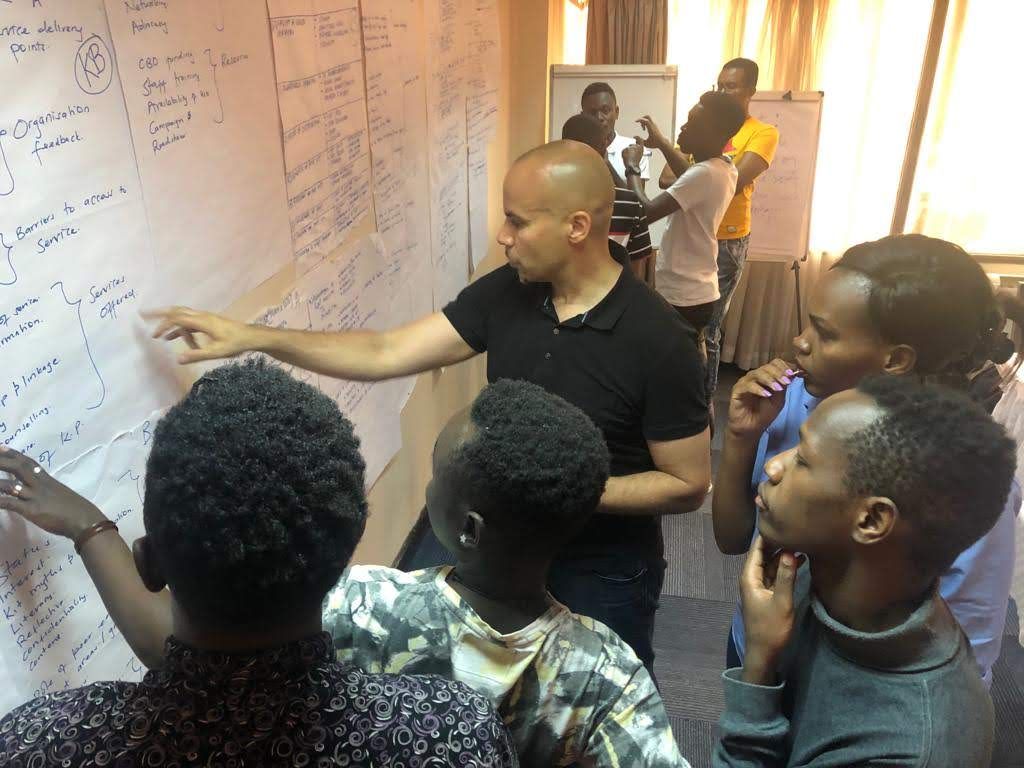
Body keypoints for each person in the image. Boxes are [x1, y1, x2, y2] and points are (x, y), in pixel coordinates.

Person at [146, 140, 711, 673]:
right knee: (489, 690)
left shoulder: (660, 341)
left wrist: (553, 492)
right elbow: (386, 351)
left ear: (577, 227)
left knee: (598, 698)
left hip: (601, 569)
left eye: (517, 221)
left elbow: (687, 484)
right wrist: (253, 336)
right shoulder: (508, 292)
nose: (503, 235)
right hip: (500, 555)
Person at [0, 378, 691, 767]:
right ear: (340, 555)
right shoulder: (460, 734)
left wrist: (93, 531)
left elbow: (178, 652)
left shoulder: (42, 743)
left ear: (152, 565)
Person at [713, 234, 1022, 687]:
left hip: (857, 694)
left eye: (825, 333)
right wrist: (742, 438)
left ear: (896, 359)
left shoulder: (962, 477)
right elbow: (731, 538)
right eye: (807, 324)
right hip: (757, 645)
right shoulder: (790, 404)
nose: (799, 342)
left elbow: (965, 650)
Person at [714, 375, 1014, 766]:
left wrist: (758, 669)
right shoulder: (820, 570)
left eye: (802, 460)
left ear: (871, 520)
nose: (773, 466)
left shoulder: (915, 749)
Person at [660, 59, 780, 402]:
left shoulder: (761, 133)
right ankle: (681, 396)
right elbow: (668, 179)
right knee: (680, 328)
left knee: (707, 328)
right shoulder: (702, 123)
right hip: (693, 236)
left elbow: (734, 181)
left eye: (732, 86)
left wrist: (697, 168)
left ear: (750, 91)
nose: (723, 91)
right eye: (720, 85)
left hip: (727, 238)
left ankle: (705, 399)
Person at [622, 92, 746, 345]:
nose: (683, 127)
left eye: (694, 123)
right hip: (696, 290)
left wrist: (633, 166)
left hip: (684, 295)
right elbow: (688, 174)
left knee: (670, 359)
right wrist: (661, 143)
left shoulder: (705, 174)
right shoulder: (724, 167)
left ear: (716, 134)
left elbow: (645, 213)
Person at [561, 112, 652, 276]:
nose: (601, 116)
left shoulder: (547, 200)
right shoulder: (630, 203)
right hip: (615, 290)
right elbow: (637, 275)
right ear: (604, 146)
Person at [582, 81, 651, 185]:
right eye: (592, 113)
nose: (599, 117)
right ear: (583, 116)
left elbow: (637, 195)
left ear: (616, 112)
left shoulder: (633, 149)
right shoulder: (575, 150)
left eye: (605, 110)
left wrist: (607, 165)